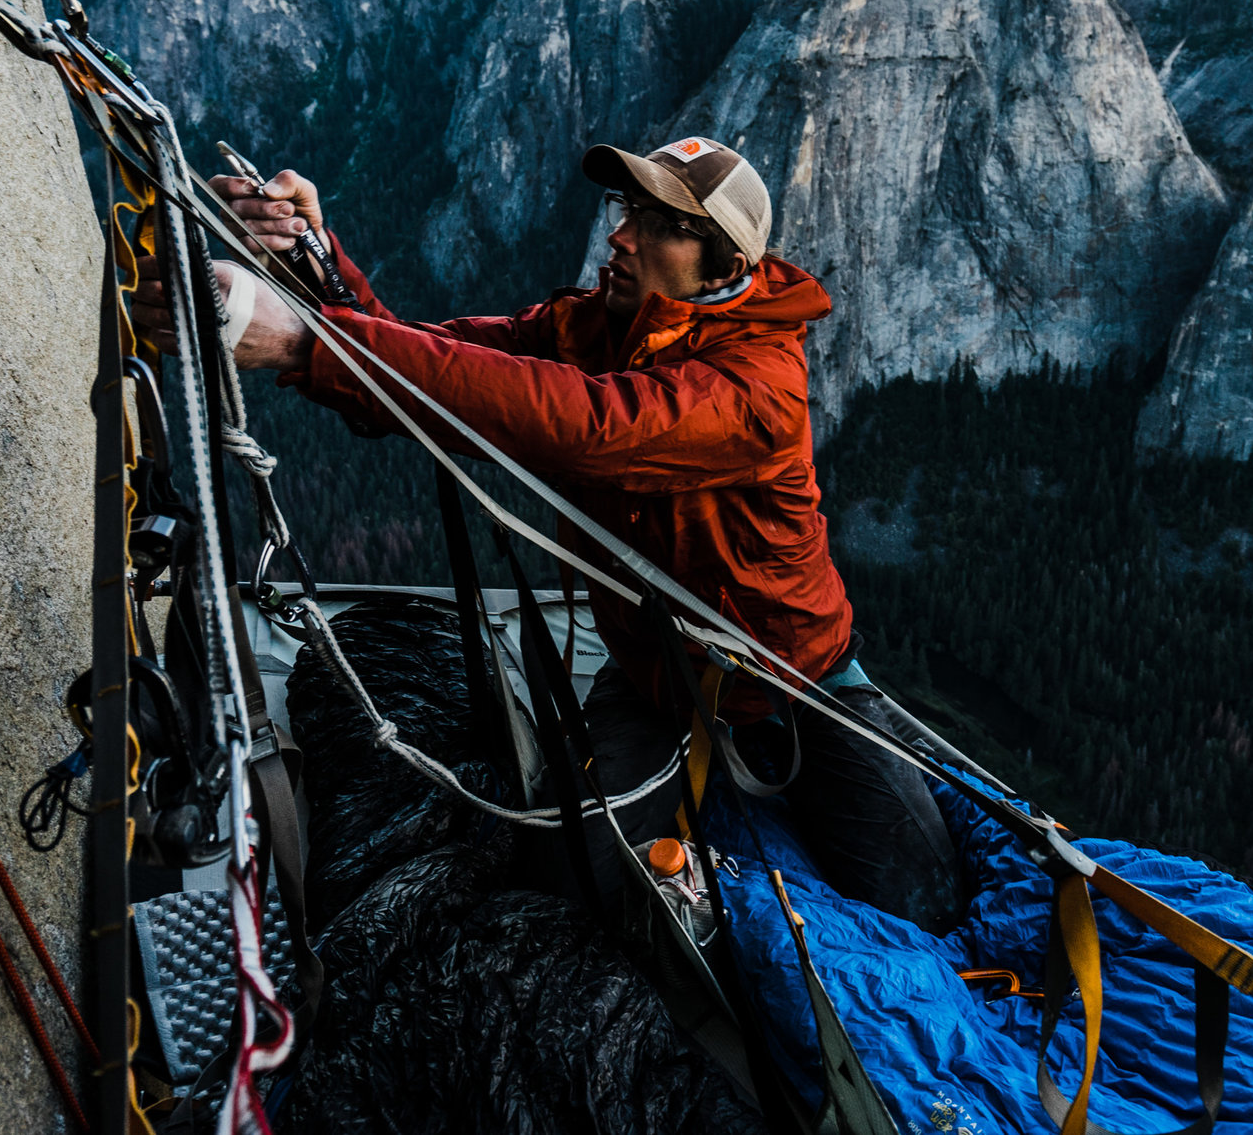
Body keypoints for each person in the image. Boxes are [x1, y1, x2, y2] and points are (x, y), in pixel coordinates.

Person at [186, 136, 962, 936]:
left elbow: (593, 427)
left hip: (801, 688)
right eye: (627, 209)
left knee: (922, 909)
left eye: (661, 223)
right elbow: (437, 366)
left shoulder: (758, 387)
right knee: (580, 896)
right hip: (655, 681)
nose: (620, 236)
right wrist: (314, 267)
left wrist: (309, 344)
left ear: (724, 265)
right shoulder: (596, 326)